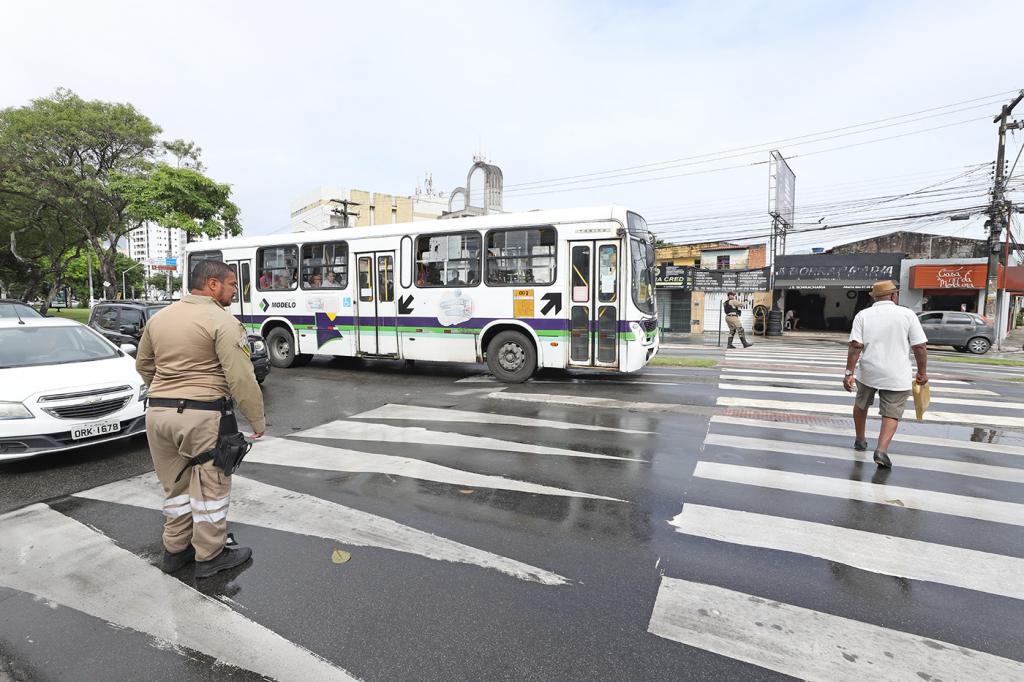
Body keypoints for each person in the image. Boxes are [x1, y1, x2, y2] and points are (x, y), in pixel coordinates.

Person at [135, 259, 266, 578]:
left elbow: (143, 364)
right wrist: (257, 420)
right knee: (211, 489)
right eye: (232, 284)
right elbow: (241, 377)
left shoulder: (160, 318)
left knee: (175, 487)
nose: (235, 290)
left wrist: (165, 392)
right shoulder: (222, 321)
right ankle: (210, 556)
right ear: (212, 284)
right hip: (202, 417)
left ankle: (175, 550)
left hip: (157, 415)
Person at [843, 280, 928, 469]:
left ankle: (860, 439)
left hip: (868, 371)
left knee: (861, 404)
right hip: (897, 374)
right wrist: (922, 372)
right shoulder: (907, 314)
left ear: (875, 297)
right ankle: (881, 450)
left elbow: (855, 346)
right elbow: (920, 347)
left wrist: (849, 373)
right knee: (891, 412)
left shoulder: (863, 315)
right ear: (893, 295)